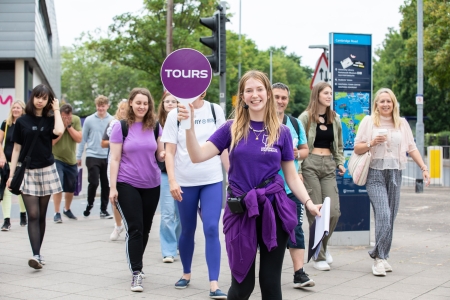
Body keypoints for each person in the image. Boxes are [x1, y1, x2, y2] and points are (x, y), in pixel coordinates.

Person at [179, 70, 322, 300]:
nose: (254, 95)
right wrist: (189, 125)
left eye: (259, 89)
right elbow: (196, 156)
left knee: (270, 282)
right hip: (240, 211)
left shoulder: (282, 132)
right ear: (242, 96)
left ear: (267, 93)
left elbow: (292, 176)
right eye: (249, 90)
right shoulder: (231, 128)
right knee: (242, 285)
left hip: (274, 209)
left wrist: (309, 203)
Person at [353, 88, 430, 276]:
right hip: (375, 173)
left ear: (393, 103)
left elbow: (411, 148)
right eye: (382, 101)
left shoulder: (401, 123)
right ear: (376, 105)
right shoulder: (368, 121)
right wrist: (372, 142)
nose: (386, 104)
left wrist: (424, 168)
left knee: (391, 216)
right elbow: (357, 147)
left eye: (389, 101)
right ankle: (378, 258)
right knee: (384, 214)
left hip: (395, 173)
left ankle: (384, 255)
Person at [161, 91, 229, 299]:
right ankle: (186, 273)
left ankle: (214, 283)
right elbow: (170, 152)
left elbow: (223, 147)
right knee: (188, 229)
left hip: (212, 180)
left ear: (204, 90)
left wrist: (232, 176)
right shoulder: (175, 115)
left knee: (211, 228)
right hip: (185, 182)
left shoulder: (214, 110)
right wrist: (172, 180)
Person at [109, 88, 164, 292]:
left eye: (145, 103)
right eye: (138, 102)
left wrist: (166, 152)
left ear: (149, 105)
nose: (142, 106)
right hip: (127, 183)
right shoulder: (121, 127)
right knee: (135, 228)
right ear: (131, 103)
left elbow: (159, 154)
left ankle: (136, 264)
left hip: (152, 184)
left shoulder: (156, 126)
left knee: (146, 228)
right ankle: (137, 272)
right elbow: (115, 159)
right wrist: (113, 187)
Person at [6, 84, 64, 269]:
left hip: (47, 170)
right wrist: (11, 174)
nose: (40, 100)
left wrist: (56, 110)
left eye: (44, 98)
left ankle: (38, 253)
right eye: (37, 97)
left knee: (41, 215)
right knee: (33, 214)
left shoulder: (50, 119)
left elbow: (59, 131)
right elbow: (16, 149)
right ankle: (36, 254)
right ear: (32, 98)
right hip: (28, 171)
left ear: (49, 101)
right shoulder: (22, 121)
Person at [298, 82, 345, 271]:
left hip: (329, 166)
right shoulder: (305, 117)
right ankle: (319, 256)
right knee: (316, 213)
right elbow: (300, 145)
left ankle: (323, 247)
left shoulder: (335, 118)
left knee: (333, 212)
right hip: (310, 164)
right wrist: (299, 170)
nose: (329, 96)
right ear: (317, 95)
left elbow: (339, 145)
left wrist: (340, 162)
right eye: (326, 93)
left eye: (331, 93)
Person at [272, 82, 314, 288]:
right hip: (266, 189)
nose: (280, 101)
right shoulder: (260, 122)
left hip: (290, 187)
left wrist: (297, 153)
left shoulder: (295, 124)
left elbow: (305, 150)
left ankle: (299, 273)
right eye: (277, 97)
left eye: (284, 98)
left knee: (295, 228)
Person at [76, 95, 114, 219]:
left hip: (107, 156)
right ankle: (90, 204)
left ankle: (103, 210)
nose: (100, 108)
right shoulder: (89, 120)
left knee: (106, 183)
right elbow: (83, 139)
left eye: (103, 106)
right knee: (93, 182)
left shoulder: (112, 120)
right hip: (92, 155)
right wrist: (79, 156)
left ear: (107, 106)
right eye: (98, 106)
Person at [156, 92, 181, 263]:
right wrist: (163, 153)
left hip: (184, 173)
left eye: (174, 101)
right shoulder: (157, 124)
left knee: (181, 214)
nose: (170, 104)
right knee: (166, 213)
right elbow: (158, 153)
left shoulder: (185, 122)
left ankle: (179, 244)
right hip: (165, 173)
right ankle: (169, 251)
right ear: (163, 104)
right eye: (167, 101)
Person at [101, 99, 128, 241]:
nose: (124, 111)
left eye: (126, 108)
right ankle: (118, 225)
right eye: (121, 108)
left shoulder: (135, 123)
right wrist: (116, 140)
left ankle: (130, 226)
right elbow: (103, 142)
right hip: (113, 161)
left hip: (130, 163)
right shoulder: (113, 123)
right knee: (114, 196)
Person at [52, 104, 82, 223]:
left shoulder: (76, 120)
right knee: (58, 185)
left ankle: (67, 209)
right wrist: (62, 126)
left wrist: (69, 126)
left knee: (70, 187)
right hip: (56, 158)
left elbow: (79, 138)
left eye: (68, 116)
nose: (66, 118)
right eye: (64, 116)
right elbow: (53, 141)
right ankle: (57, 212)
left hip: (71, 159)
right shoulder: (55, 120)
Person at [0, 100, 27, 230]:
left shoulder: (25, 124)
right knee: (6, 191)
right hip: (7, 163)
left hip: (21, 163)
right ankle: (6, 220)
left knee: (21, 190)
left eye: (18, 108)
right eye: (14, 107)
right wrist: (2, 157)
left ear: (22, 110)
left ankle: (23, 214)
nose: (15, 110)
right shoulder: (6, 124)